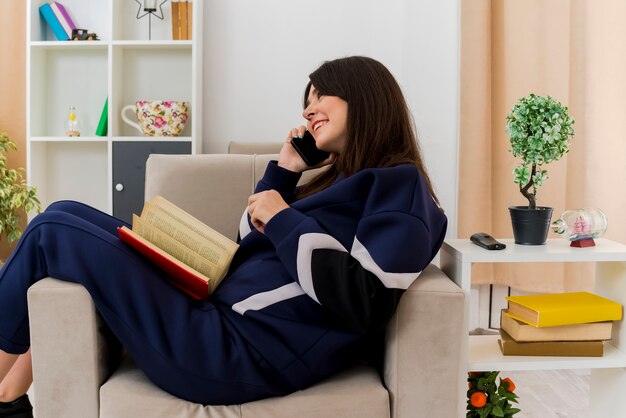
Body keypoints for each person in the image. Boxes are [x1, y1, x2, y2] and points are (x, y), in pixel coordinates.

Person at [0, 56, 447, 416]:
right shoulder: (335, 182)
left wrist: (283, 218)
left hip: (231, 350)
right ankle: (9, 399)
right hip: (212, 320)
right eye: (305, 101)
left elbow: (366, 299)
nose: (308, 110)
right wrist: (286, 172)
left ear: (366, 98)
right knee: (62, 215)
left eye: (321, 95)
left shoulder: (399, 185)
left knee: (52, 230)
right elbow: (246, 245)